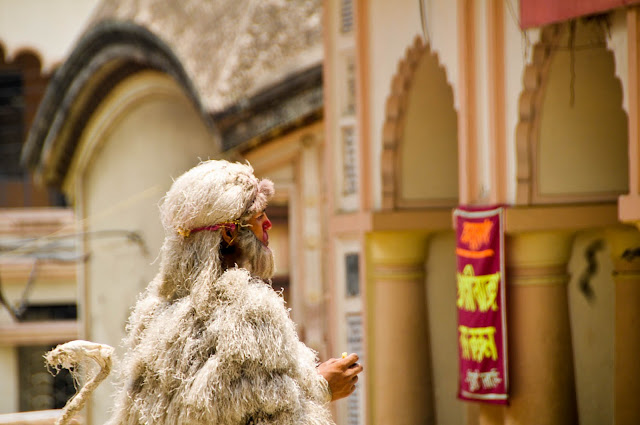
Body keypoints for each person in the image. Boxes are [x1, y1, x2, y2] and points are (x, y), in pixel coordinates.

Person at [48, 160, 362, 425]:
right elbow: (270, 415)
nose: (267, 223)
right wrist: (321, 386)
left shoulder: (154, 312)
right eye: (258, 215)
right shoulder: (250, 311)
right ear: (228, 232)